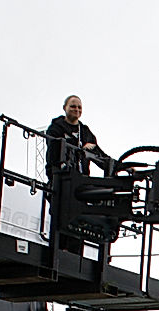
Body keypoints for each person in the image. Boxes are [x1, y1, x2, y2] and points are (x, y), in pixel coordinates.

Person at [45, 95, 107, 253]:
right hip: (62, 182)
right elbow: (55, 150)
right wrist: (80, 148)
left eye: (79, 107)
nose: (76, 110)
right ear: (64, 108)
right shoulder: (56, 128)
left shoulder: (85, 132)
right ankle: (58, 252)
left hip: (80, 185)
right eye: (73, 106)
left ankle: (74, 255)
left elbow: (100, 156)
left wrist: (122, 167)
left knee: (78, 222)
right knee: (61, 220)